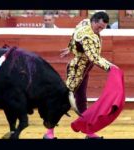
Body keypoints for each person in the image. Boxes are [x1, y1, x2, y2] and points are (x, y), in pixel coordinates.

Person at [44, 11, 117, 139]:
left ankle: (88, 132)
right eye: (99, 27)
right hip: (77, 71)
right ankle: (49, 132)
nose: (100, 30)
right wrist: (110, 67)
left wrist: (71, 48)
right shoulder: (88, 36)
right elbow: (94, 57)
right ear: (94, 21)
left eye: (103, 28)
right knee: (65, 101)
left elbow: (74, 37)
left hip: (83, 71)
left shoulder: (85, 23)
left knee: (82, 102)